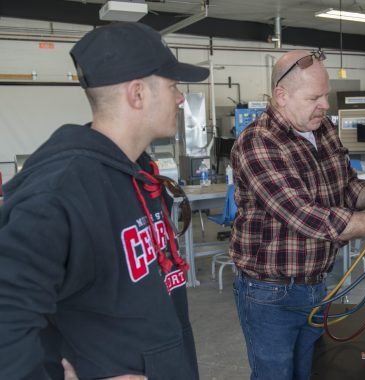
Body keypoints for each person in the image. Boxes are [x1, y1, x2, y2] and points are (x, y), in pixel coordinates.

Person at [0, 22, 209, 379]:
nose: (179, 98)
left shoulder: (137, 172)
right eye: (173, 86)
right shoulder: (60, 192)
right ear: (137, 94)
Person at [230, 49, 365, 380]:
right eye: (315, 97)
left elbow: (345, 189)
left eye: (326, 95)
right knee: (276, 375)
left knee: (312, 371)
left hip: (316, 283)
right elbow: (306, 218)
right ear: (281, 96)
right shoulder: (258, 142)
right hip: (270, 293)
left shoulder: (321, 128)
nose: (325, 105)